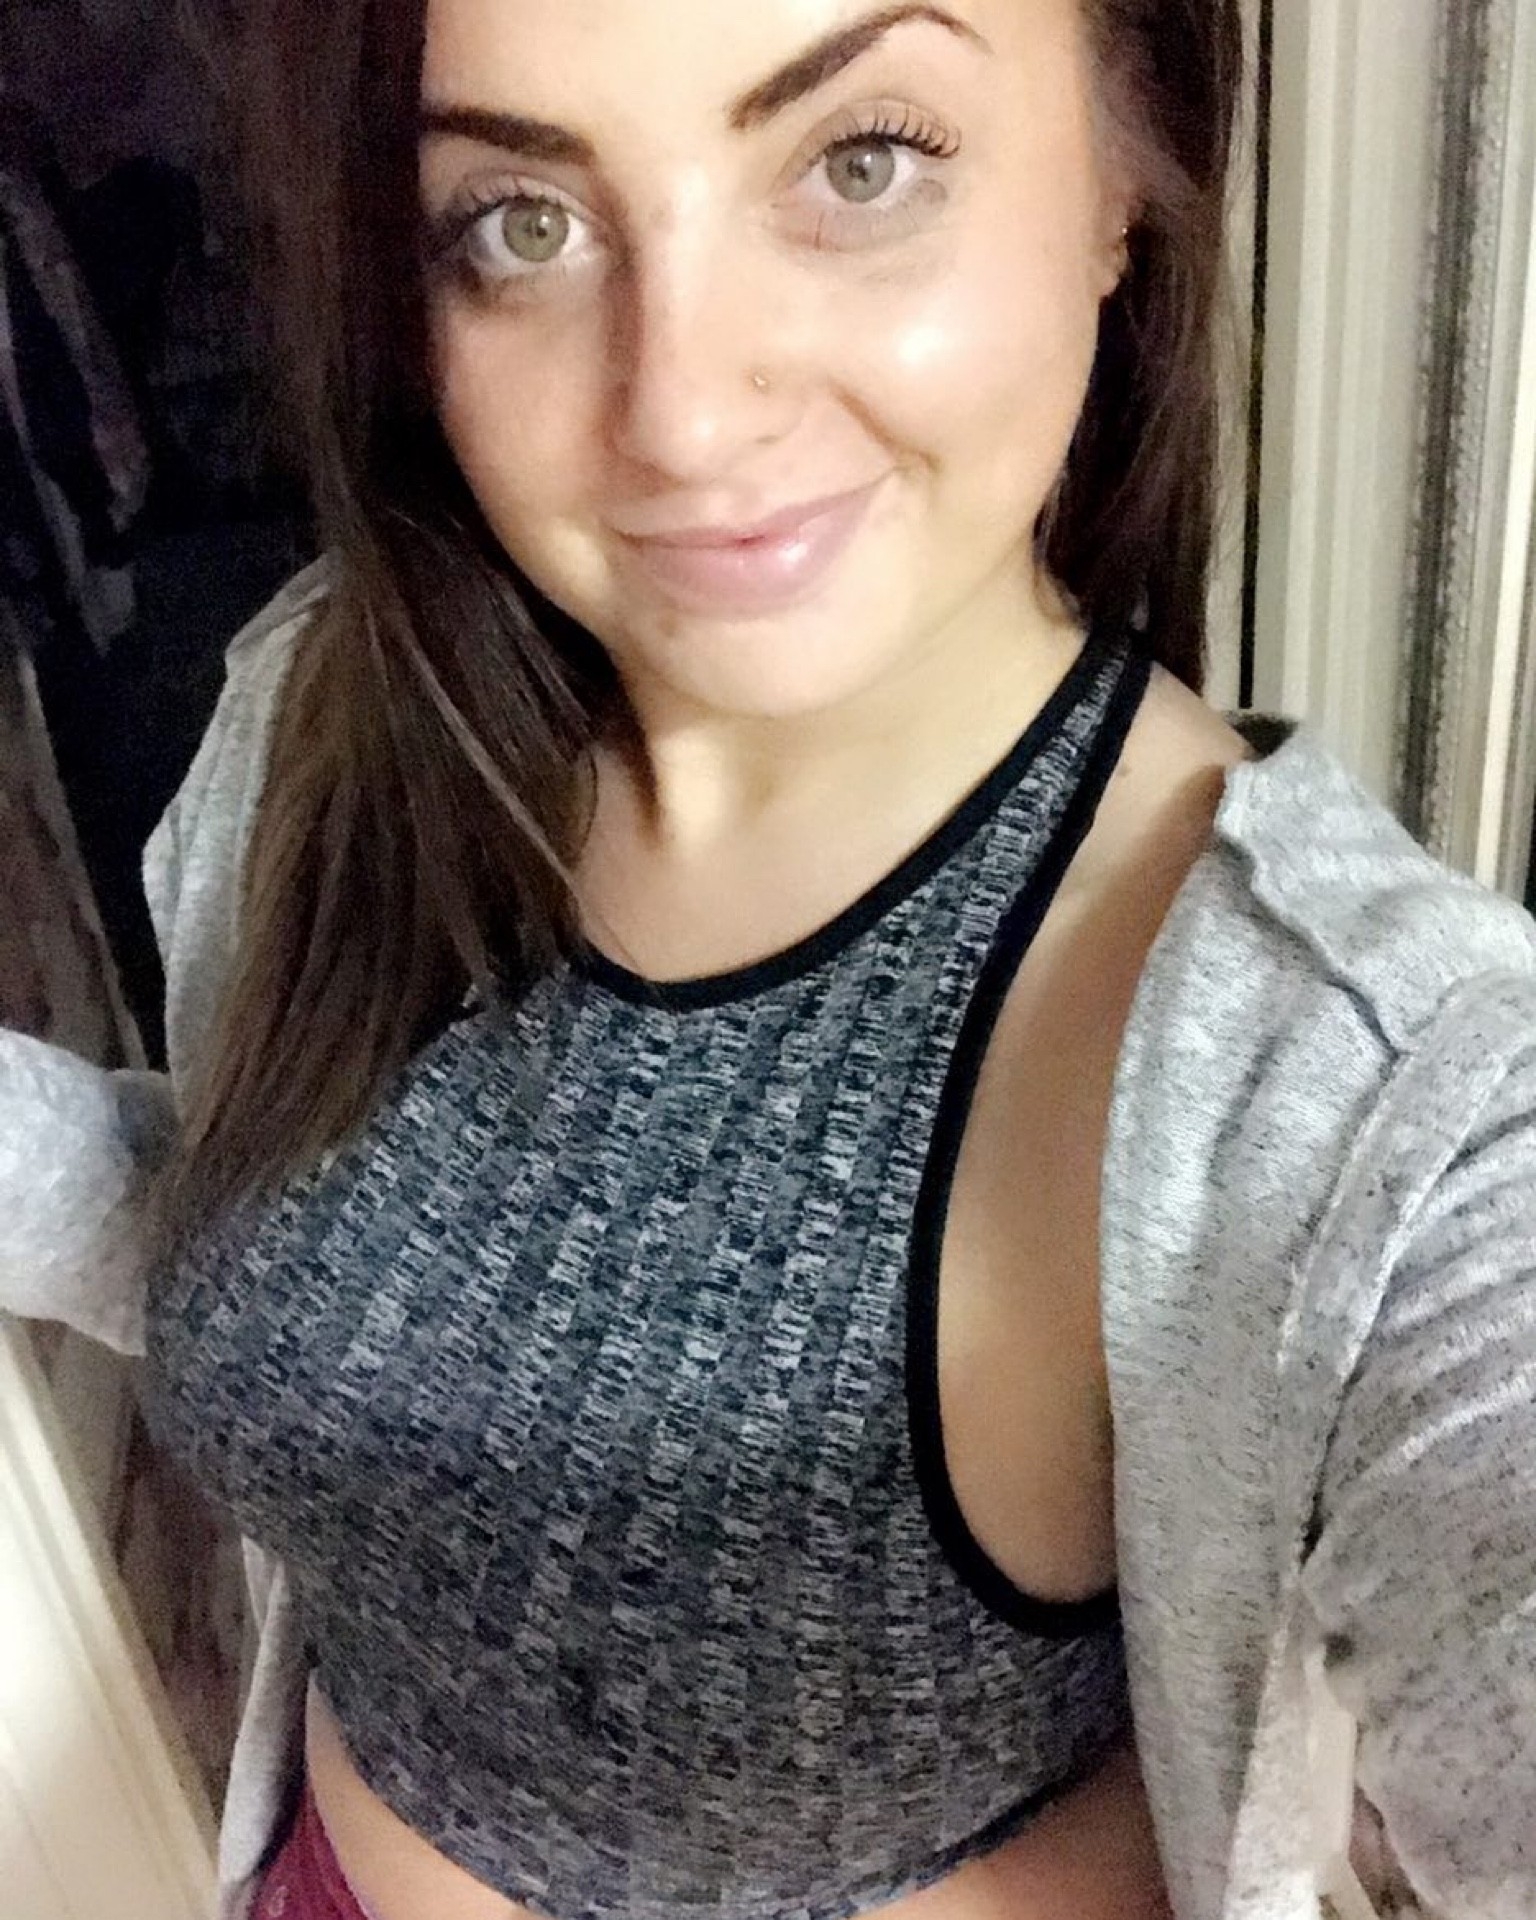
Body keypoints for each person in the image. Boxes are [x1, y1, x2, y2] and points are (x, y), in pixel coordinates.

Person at [1, 1, 1533, 1917]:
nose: (681, 416)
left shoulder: (1363, 1086)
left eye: (862, 162)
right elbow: (295, 1245)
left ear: (1125, 178)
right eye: (522, 222)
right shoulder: (327, 715)